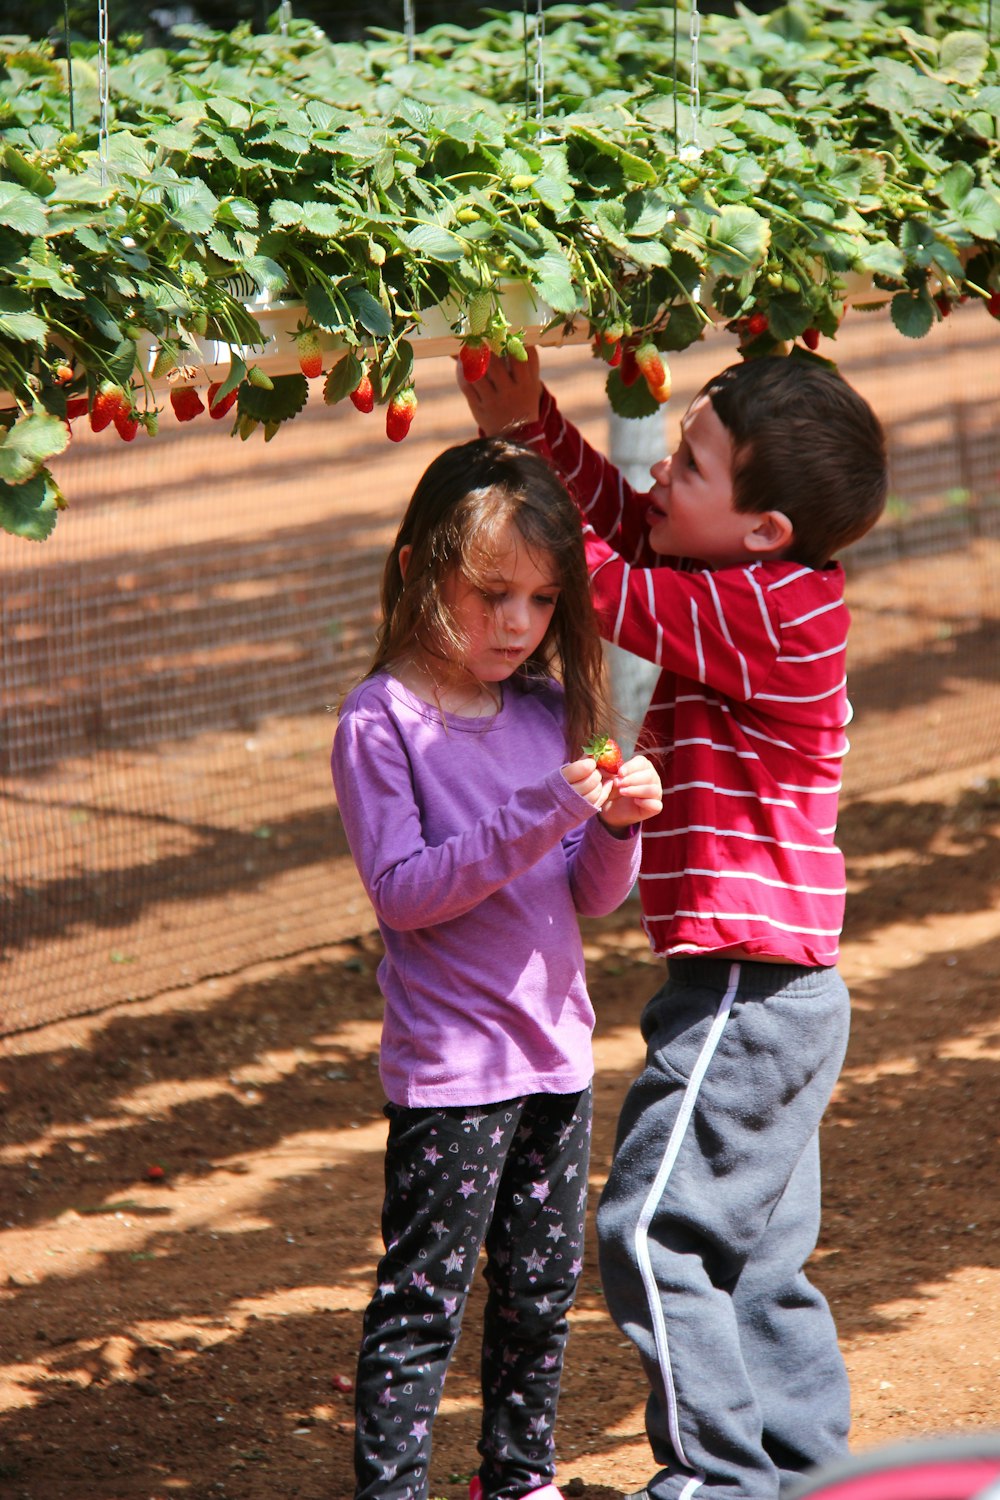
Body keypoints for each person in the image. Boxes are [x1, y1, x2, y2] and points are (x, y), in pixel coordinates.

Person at [457, 349, 889, 1500]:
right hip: (777, 989)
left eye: (690, 463)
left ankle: (713, 1481)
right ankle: (803, 1473)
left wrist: (516, 458)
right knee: (754, 1258)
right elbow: (637, 533)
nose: (663, 476)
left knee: (651, 1232)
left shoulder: (769, 615)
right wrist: (535, 423)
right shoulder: (769, 581)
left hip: (746, 997)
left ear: (763, 528)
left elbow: (608, 578)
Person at [331, 435, 664, 1500]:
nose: (515, 623)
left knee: (537, 1290)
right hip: (453, 1075)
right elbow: (406, 892)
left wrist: (618, 826)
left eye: (538, 599)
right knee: (423, 1299)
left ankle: (517, 1479)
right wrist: (551, 808)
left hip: (555, 1055)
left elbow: (588, 893)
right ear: (417, 568)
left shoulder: (543, 713)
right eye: (489, 592)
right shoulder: (380, 722)